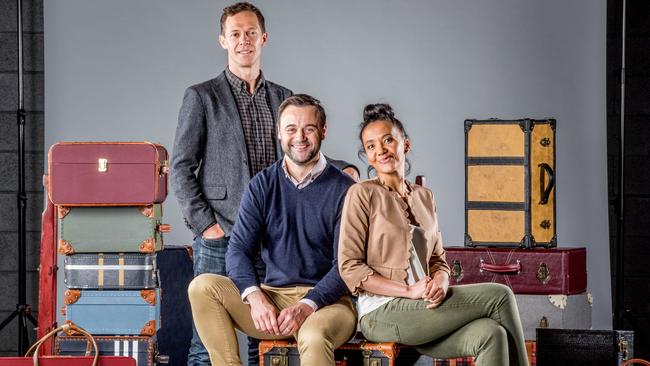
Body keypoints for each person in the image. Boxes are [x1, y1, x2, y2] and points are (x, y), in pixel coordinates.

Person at [170, 3, 356, 365]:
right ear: (223, 40)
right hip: (223, 233)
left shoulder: (281, 96)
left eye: (251, 33)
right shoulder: (202, 97)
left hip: (271, 234)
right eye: (236, 34)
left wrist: (344, 168)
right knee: (203, 341)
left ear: (263, 38)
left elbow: (300, 147)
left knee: (265, 339)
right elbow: (180, 167)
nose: (244, 41)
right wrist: (207, 226)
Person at [338, 104, 529, 366]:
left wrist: (440, 282)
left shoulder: (425, 197)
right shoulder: (362, 194)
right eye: (370, 146)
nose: (380, 150)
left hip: (425, 307)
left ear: (405, 144)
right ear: (367, 156)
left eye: (387, 140)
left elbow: (438, 258)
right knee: (500, 295)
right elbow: (350, 267)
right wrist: (408, 290)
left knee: (490, 334)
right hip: (382, 312)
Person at [187, 94, 357, 366]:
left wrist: (307, 305)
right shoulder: (262, 185)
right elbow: (238, 251)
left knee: (312, 336)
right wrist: (255, 297)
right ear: (278, 132)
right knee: (202, 287)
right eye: (291, 129)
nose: (299, 137)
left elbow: (347, 266)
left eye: (309, 129)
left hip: (329, 304)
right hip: (274, 299)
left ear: (323, 132)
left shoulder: (346, 189)